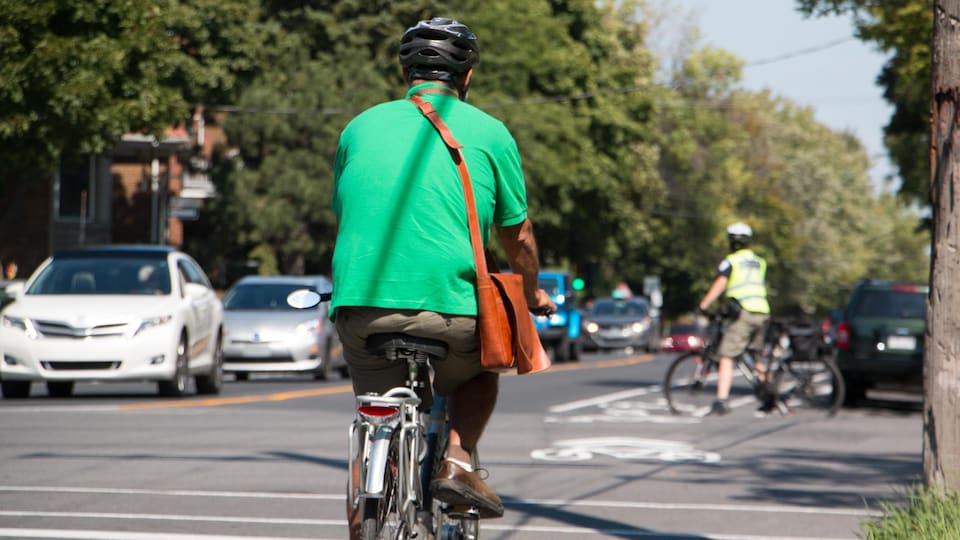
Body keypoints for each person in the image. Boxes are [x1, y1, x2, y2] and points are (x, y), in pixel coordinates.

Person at [329, 16, 556, 535]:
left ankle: (373, 491)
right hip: (452, 309)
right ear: (467, 76)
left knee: (378, 404)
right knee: (478, 372)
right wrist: (532, 290)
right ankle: (457, 458)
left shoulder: (358, 126)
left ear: (406, 71)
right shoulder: (490, 132)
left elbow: (349, 211)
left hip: (361, 307)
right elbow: (516, 237)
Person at [697, 222, 771, 415]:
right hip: (762, 310)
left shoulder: (731, 261)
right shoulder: (759, 261)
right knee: (756, 355)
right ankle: (767, 394)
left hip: (744, 312)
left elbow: (720, 284)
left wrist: (703, 305)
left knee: (727, 355)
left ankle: (722, 400)